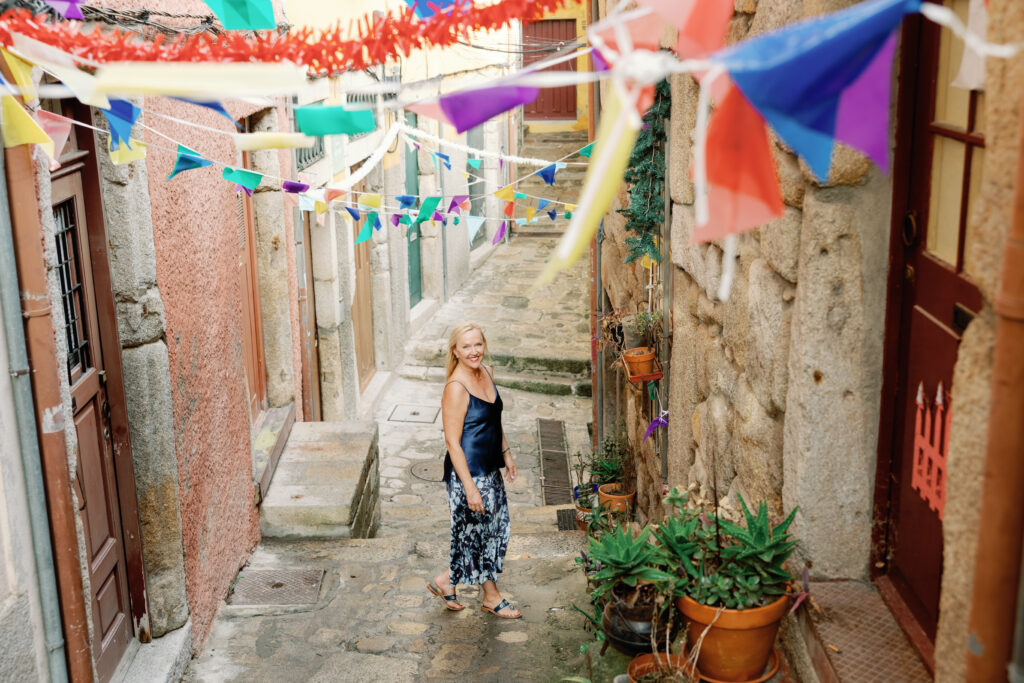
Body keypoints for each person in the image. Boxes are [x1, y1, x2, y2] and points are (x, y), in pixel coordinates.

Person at [427, 322, 521, 619]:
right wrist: (469, 488)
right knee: (479, 534)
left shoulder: (488, 373)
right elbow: (453, 443)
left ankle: (445, 580)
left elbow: (494, 420)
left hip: (490, 468)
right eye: (465, 346)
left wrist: (506, 454)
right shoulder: (456, 387)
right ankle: (491, 596)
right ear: (455, 351)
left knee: (493, 529)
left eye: (477, 344)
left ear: (484, 345)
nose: (473, 351)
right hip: (468, 472)